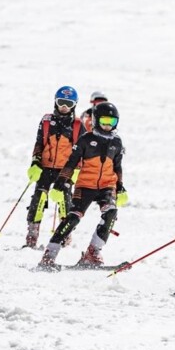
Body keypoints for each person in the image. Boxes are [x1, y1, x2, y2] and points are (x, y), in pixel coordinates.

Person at [37, 102, 128, 270]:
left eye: (112, 122)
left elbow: (117, 167)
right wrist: (60, 183)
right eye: (104, 121)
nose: (108, 126)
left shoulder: (116, 141)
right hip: (85, 185)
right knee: (73, 217)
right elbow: (71, 163)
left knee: (111, 213)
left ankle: (93, 252)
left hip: (106, 186)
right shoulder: (86, 139)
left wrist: (120, 187)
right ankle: (50, 254)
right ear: (95, 120)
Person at [24, 86, 83, 249]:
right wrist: (35, 162)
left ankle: (64, 234)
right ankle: (32, 234)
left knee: (65, 200)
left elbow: (81, 152)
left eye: (68, 103)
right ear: (55, 102)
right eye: (61, 102)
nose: (64, 106)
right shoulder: (46, 121)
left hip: (65, 170)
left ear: (74, 105)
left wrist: (76, 170)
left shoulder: (78, 125)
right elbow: (39, 143)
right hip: (45, 167)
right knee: (39, 198)